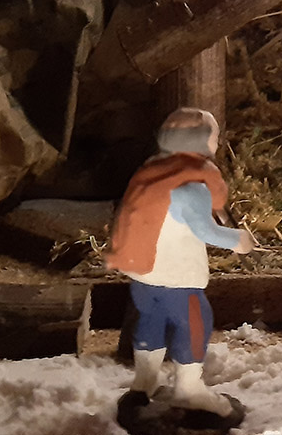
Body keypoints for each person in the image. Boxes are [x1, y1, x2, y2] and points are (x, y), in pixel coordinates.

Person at [105, 107, 254, 421]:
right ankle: (188, 389)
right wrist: (238, 239)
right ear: (199, 140)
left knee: (151, 321)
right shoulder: (191, 187)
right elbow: (206, 231)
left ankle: (144, 382)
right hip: (178, 278)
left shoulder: (152, 172)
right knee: (194, 323)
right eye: (214, 135)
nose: (217, 141)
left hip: (142, 275)